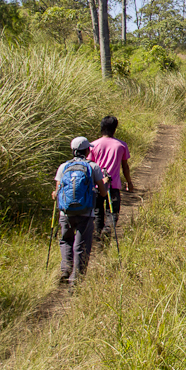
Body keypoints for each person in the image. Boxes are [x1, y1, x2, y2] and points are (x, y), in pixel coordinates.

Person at [53, 136, 108, 286]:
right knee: (82, 244)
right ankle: (76, 279)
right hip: (86, 212)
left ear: (73, 150)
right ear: (87, 150)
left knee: (66, 240)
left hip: (65, 212)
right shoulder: (93, 167)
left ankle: (66, 269)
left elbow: (57, 192)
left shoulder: (63, 167)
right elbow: (102, 193)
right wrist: (106, 183)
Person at [88, 115, 133, 239]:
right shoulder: (121, 145)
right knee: (112, 211)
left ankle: (98, 233)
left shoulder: (93, 145)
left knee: (98, 211)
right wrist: (129, 182)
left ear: (101, 128)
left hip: (97, 184)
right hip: (113, 185)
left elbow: (89, 166)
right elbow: (125, 166)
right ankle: (107, 230)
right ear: (115, 129)